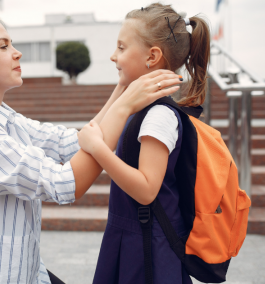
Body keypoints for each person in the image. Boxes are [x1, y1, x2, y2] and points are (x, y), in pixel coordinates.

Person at [0, 12, 181, 284]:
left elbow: (71, 144)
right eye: (3, 46)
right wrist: (124, 107)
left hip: (28, 274)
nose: (17, 53)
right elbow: (64, 182)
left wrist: (123, 87)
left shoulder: (6, 119)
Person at [78, 3, 210, 284]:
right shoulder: (140, 109)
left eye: (122, 48)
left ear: (152, 56)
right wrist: (122, 86)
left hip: (148, 248)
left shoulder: (159, 116)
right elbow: (92, 131)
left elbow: (147, 189)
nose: (114, 56)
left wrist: (99, 150)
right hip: (132, 236)